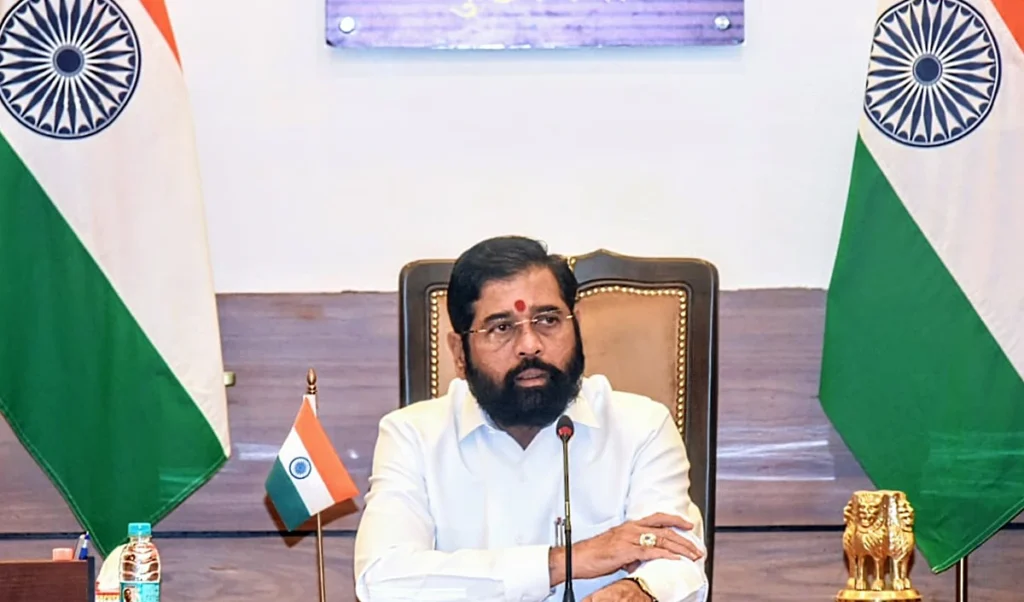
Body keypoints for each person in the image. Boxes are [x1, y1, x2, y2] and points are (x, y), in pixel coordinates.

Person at [354, 236, 708, 602]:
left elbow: (680, 559)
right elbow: (382, 582)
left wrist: (637, 591)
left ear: (577, 326)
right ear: (459, 352)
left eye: (548, 320)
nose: (530, 345)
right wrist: (567, 561)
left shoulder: (640, 427)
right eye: (502, 327)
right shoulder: (412, 436)